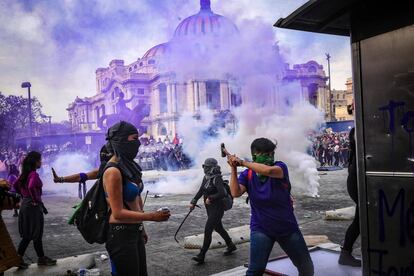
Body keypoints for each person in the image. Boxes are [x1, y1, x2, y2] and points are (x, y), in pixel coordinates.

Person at [227, 138, 314, 276]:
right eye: (266, 154)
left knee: (306, 267)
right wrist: (233, 168)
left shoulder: (280, 167)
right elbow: (235, 192)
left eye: (271, 154)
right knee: (255, 271)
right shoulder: (247, 174)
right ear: (255, 155)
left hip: (287, 227)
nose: (270, 157)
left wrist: (243, 162)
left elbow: (269, 171)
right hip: (261, 229)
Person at [103, 121, 170, 276]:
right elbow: (118, 212)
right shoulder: (113, 171)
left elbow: (136, 201)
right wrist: (152, 217)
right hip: (120, 235)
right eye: (134, 139)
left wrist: (141, 227)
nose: (138, 143)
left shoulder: (128, 165)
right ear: (120, 140)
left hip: (134, 231)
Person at [14, 151, 57, 269]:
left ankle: (19, 259)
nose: (41, 162)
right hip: (33, 206)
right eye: (40, 160)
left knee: (28, 235)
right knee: (36, 233)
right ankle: (41, 259)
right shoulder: (33, 174)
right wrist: (34, 199)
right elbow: (31, 186)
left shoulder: (24, 174)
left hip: (25, 204)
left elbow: (15, 185)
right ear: (35, 162)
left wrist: (24, 197)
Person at [189, 158, 236, 264]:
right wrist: (194, 201)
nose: (204, 168)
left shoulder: (217, 178)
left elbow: (222, 193)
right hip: (209, 208)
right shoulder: (206, 177)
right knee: (218, 228)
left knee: (208, 230)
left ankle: (201, 255)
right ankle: (231, 245)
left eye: (206, 166)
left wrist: (211, 198)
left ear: (212, 167)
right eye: (204, 166)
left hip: (217, 208)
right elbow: (201, 190)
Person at [338, 127, 361, 267]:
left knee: (360, 220)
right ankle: (345, 254)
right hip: (356, 184)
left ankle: (345, 253)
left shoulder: (357, 148)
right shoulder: (358, 149)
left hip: (356, 183)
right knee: (360, 221)